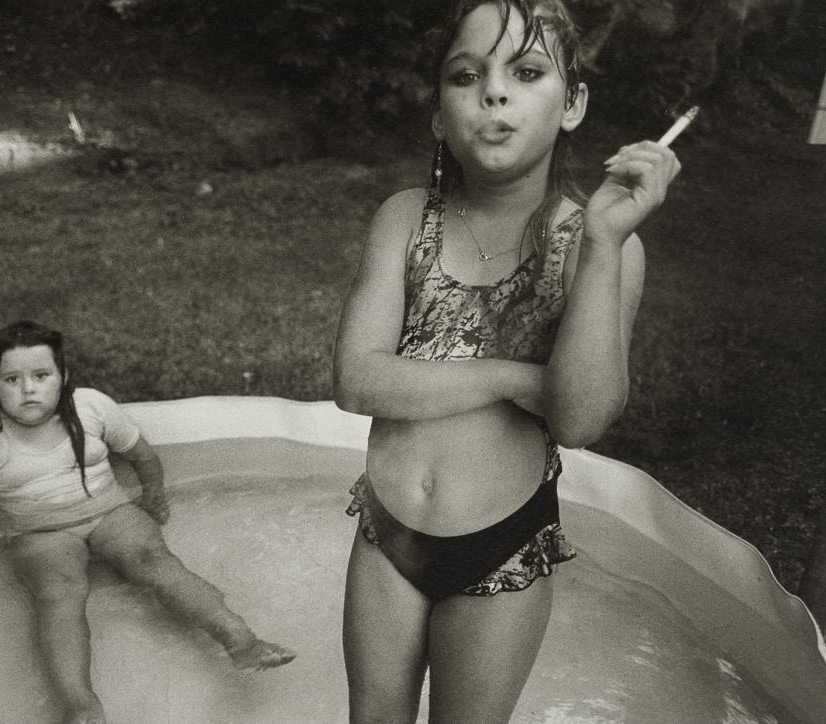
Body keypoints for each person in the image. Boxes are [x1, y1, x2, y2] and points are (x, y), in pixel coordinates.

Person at [333, 1, 681, 722]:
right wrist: (514, 377)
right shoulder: (406, 219)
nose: (493, 93)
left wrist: (605, 244)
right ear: (439, 115)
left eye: (525, 73)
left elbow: (580, 417)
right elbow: (358, 381)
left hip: (501, 547)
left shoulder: (595, 244)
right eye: (466, 76)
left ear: (573, 103)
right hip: (386, 532)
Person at [0, 320, 295, 724]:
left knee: (154, 561)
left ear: (64, 376)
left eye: (41, 375)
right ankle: (80, 704)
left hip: (109, 512)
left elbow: (142, 456)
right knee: (59, 593)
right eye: (12, 379)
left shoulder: (91, 408)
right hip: (39, 532)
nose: (27, 389)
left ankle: (241, 642)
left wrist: (153, 497)